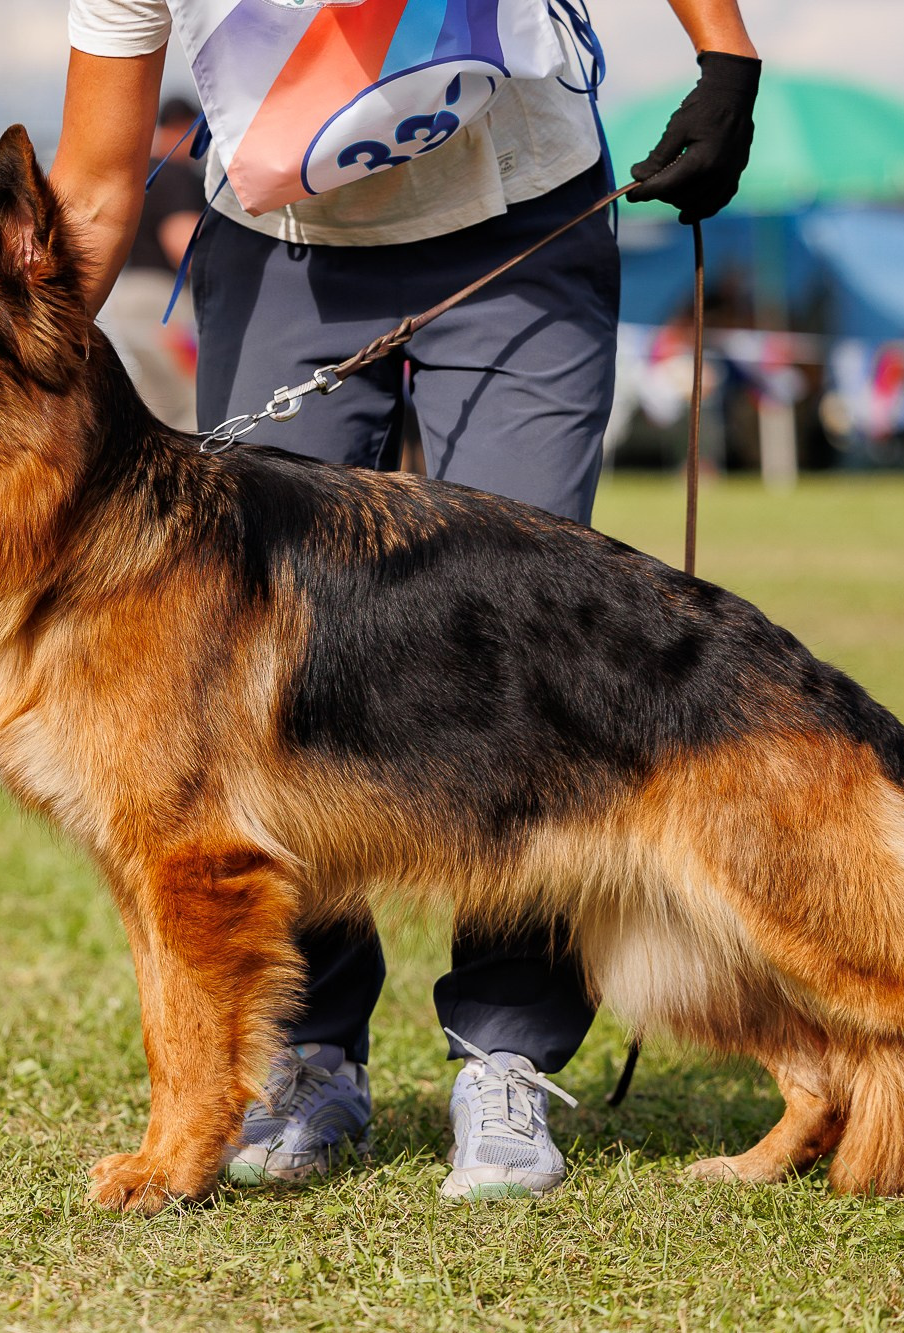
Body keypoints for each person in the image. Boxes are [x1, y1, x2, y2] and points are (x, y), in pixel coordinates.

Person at [50, 0, 760, 1200]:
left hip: (519, 207)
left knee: (515, 651)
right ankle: (308, 1054)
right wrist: (2, 344)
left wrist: (723, 52)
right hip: (278, 241)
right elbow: (92, 184)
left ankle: (507, 1051)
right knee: (262, 678)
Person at [96, 96, 206, 429]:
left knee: (156, 405)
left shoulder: (139, 176)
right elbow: (181, 240)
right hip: (165, 306)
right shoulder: (176, 173)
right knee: (192, 400)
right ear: (184, 128)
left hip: (127, 298)